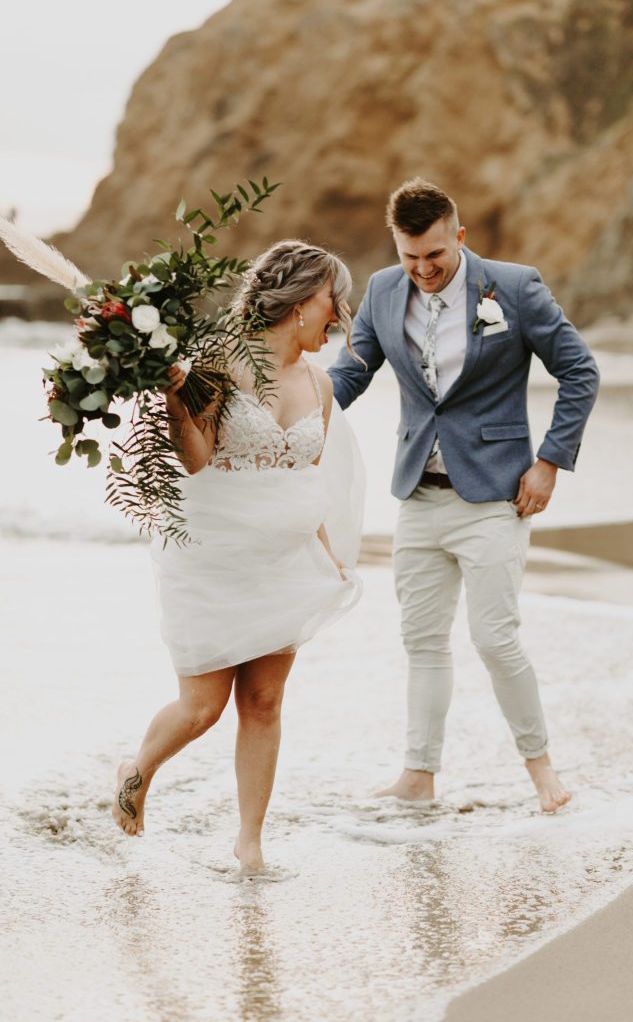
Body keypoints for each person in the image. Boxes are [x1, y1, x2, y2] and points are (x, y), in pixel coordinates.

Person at [328, 178, 600, 813]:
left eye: (435, 256)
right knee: (421, 641)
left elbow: (579, 371)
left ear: (460, 236)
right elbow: (352, 372)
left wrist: (550, 463)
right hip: (417, 495)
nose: (422, 270)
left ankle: (543, 775)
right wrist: (296, 415)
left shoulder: (515, 286)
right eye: (408, 256)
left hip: (496, 496)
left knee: (494, 637)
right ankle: (418, 777)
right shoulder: (383, 290)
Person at [112, 241, 364, 871]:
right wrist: (175, 400)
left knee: (264, 704)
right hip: (214, 552)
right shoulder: (220, 362)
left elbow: (307, 479)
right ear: (302, 300)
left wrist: (328, 559)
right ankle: (137, 768)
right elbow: (195, 460)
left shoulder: (323, 387)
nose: (341, 315)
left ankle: (249, 843)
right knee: (203, 707)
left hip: (284, 563)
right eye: (335, 300)